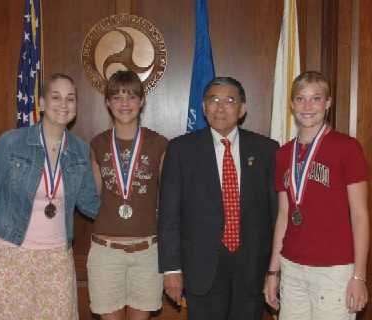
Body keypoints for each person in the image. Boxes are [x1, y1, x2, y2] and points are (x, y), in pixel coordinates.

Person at [0, 73, 101, 319]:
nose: (63, 105)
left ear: (76, 107)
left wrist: (127, 209)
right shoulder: (10, 142)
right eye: (56, 97)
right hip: (10, 254)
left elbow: (88, 203)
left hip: (57, 260)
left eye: (70, 99)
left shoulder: (81, 150)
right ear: (41, 104)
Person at [157, 76, 279, 320]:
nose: (220, 108)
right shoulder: (180, 149)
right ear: (203, 107)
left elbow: (276, 214)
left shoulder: (267, 150)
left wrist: (275, 270)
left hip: (252, 267)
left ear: (242, 109)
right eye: (213, 100)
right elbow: (169, 214)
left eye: (229, 101)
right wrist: (171, 268)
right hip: (201, 267)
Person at [263, 71, 369, 320]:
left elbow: (360, 214)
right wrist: (273, 272)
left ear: (328, 103)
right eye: (300, 99)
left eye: (316, 99)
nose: (308, 107)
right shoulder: (283, 154)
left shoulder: (347, 147)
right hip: (292, 267)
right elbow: (284, 215)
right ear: (291, 104)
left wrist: (359, 275)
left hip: (334, 270)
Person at [87, 70, 168, 320]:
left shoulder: (160, 144)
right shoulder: (97, 144)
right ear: (108, 103)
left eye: (132, 96)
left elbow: (168, 200)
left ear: (142, 101)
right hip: (105, 252)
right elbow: (94, 196)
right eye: (117, 97)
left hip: (147, 252)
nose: (125, 104)